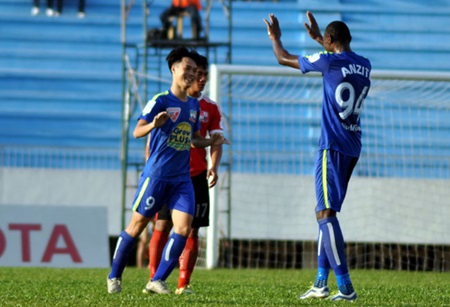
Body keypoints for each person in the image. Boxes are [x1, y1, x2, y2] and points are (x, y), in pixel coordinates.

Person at [264, 11, 371, 301]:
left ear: (330, 40)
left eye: (324, 40)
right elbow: (339, 60)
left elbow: (283, 58)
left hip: (331, 145)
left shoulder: (329, 60)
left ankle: (346, 288)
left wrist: (276, 38)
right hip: (351, 145)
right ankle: (321, 283)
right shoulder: (364, 64)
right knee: (328, 211)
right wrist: (318, 38)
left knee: (324, 214)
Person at [106, 47, 227, 295]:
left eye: (195, 70)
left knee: (184, 228)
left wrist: (213, 142)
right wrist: (154, 124)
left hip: (182, 179)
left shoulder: (194, 106)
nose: (192, 74)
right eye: (188, 68)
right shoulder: (160, 100)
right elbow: (137, 131)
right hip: (157, 176)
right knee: (137, 226)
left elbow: (194, 140)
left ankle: (158, 279)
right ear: (174, 69)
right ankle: (114, 275)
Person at [144, 53, 224, 295]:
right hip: (168, 175)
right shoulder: (169, 102)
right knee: (162, 224)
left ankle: (183, 283)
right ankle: (154, 278)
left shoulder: (209, 107)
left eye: (204, 75)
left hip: (195, 175)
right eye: (197, 74)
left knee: (192, 229)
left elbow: (216, 139)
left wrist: (214, 165)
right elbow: (151, 139)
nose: (201, 79)